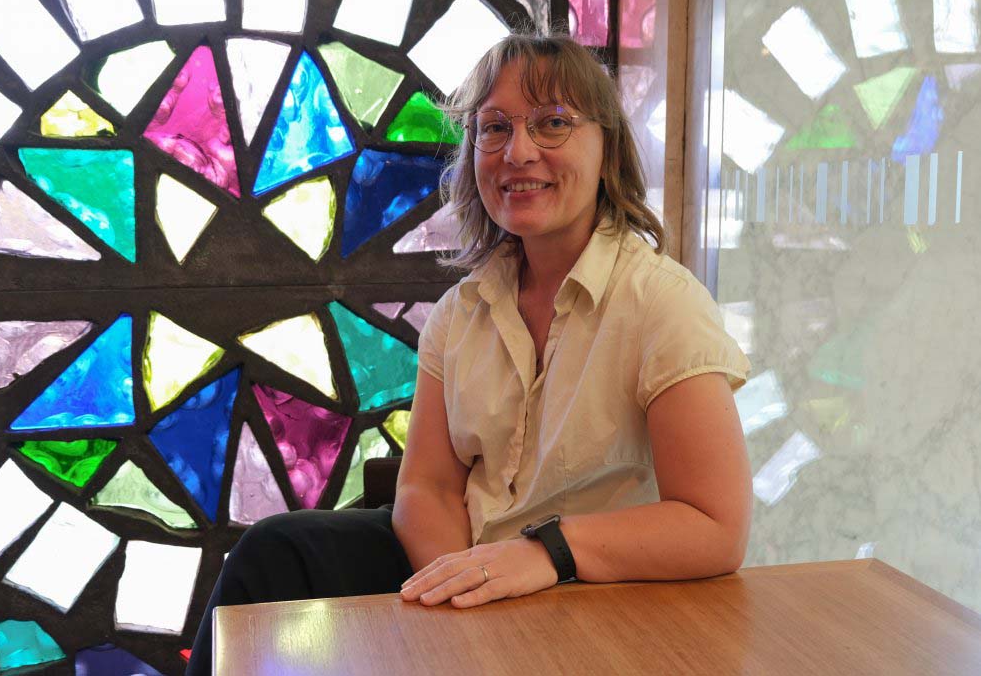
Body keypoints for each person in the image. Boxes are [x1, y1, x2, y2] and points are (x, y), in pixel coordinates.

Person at [185, 33, 751, 675]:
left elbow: (714, 526)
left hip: (597, 589)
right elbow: (426, 487)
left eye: (554, 124)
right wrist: (463, 597)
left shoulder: (663, 303)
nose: (520, 152)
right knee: (273, 552)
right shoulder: (460, 312)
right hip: (474, 569)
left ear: (607, 148)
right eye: (494, 128)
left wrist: (544, 556)